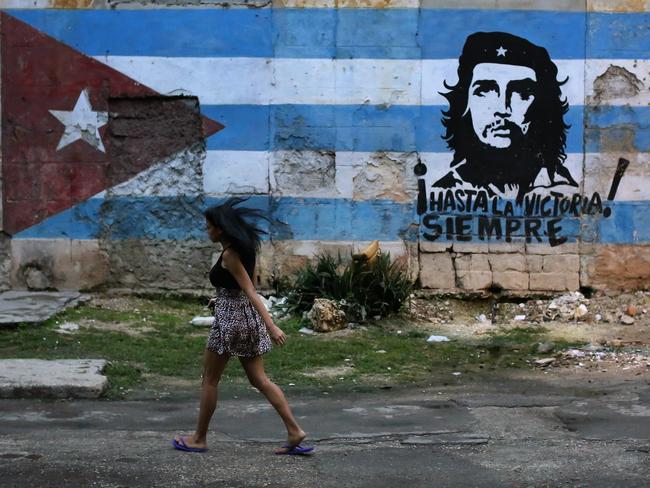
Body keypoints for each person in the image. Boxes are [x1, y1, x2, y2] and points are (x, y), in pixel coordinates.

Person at [172, 197, 312, 455]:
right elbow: (238, 287)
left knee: (210, 380)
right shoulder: (244, 249)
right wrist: (221, 298)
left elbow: (250, 290)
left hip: (231, 322)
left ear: (220, 228)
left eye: (209, 226)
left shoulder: (230, 254)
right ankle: (294, 430)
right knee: (260, 379)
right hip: (244, 317)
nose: (207, 230)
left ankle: (199, 439)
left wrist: (272, 326)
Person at [434, 31, 578, 203]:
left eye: (522, 93)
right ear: (465, 104)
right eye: (485, 91)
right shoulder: (446, 191)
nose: (502, 108)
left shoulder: (563, 189)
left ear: (544, 107)